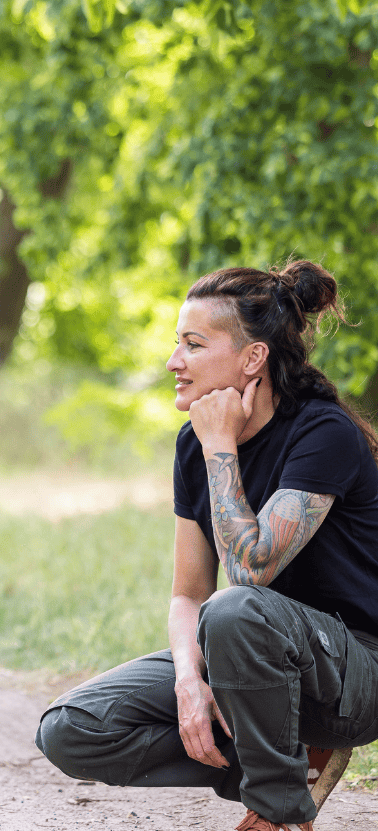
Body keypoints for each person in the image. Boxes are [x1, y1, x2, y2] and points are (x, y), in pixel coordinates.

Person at [35, 259, 378, 831]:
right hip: (246, 656)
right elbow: (188, 595)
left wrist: (221, 446)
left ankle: (278, 812)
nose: (174, 361)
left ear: (253, 358)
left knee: (236, 608)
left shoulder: (322, 433)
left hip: (353, 676)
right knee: (72, 728)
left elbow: (249, 571)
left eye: (193, 345)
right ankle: (287, 762)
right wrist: (189, 683)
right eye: (177, 343)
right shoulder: (191, 444)